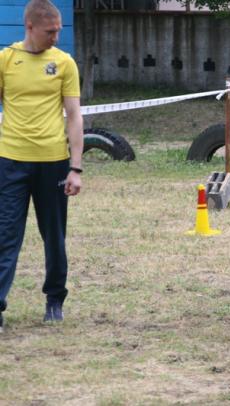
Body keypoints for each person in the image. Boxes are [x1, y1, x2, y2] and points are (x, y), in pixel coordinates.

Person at [0, 0, 83, 332]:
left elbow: (75, 115)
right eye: (51, 31)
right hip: (10, 162)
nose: (56, 37)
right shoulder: (7, 60)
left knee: (53, 237)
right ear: (30, 27)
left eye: (59, 30)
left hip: (53, 163)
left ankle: (54, 300)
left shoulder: (64, 63)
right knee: (6, 235)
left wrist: (75, 168)